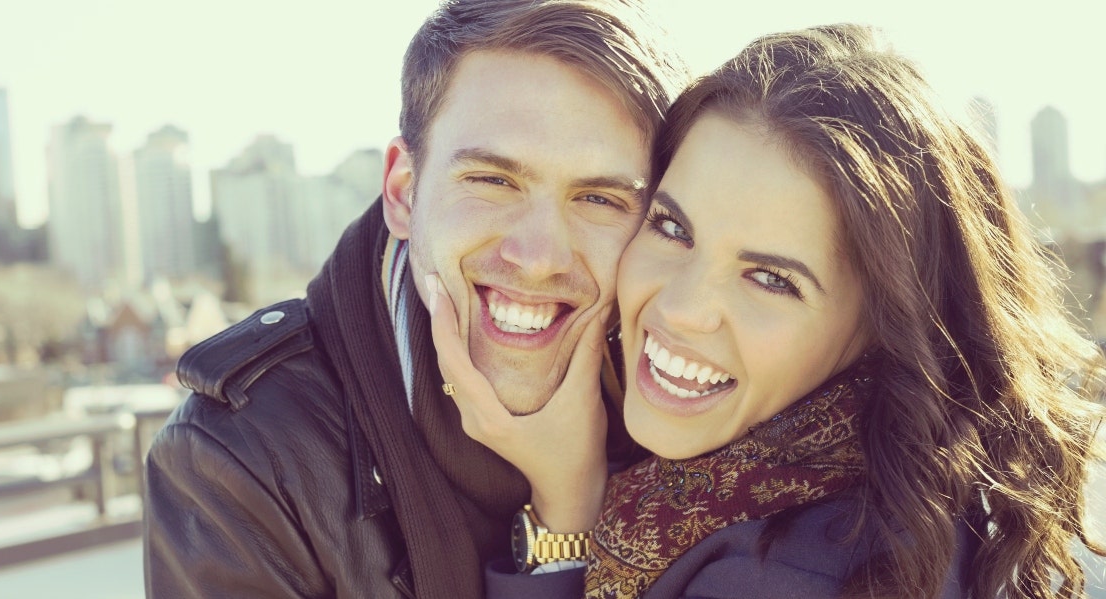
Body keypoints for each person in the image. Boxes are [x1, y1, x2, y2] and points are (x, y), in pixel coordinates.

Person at [430, 24, 1106, 598]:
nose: (684, 308)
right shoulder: (910, 494)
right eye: (672, 228)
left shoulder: (789, 572)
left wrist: (566, 512)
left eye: (770, 279)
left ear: (885, 322)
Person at [142, 1, 687, 597]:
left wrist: (572, 493)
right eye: (493, 181)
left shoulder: (692, 409)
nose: (538, 257)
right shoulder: (238, 463)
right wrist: (568, 521)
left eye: (600, 199)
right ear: (403, 193)